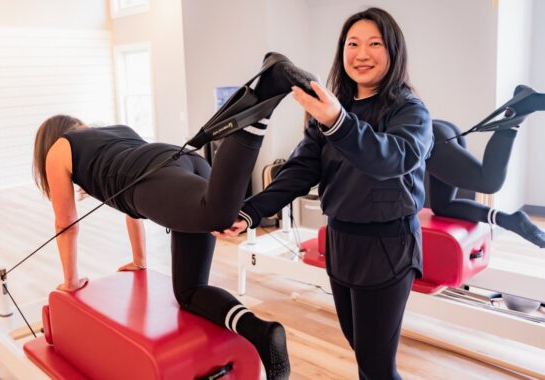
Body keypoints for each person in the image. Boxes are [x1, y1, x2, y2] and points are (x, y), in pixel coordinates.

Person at [32, 52, 319, 380]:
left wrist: (70, 281)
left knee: (217, 215)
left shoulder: (58, 149)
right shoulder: (112, 130)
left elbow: (65, 224)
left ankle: (267, 90)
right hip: (184, 164)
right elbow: (134, 207)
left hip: (155, 181)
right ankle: (263, 335)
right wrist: (139, 260)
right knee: (190, 292)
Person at [218, 7, 432, 379]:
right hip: (340, 243)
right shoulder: (334, 110)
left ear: (393, 51)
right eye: (353, 44)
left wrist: (337, 122)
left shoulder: (409, 111)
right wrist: (250, 211)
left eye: (374, 44)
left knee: (377, 366)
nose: (361, 54)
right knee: (361, 350)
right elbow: (302, 169)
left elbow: (392, 159)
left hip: (387, 248)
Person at [427, 89, 545, 247]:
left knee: (489, 182)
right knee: (443, 206)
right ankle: (509, 220)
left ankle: (519, 109)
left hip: (430, 139)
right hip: (436, 131)